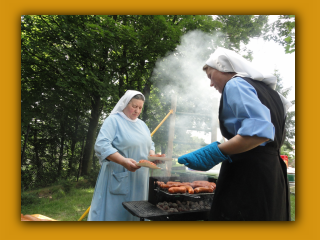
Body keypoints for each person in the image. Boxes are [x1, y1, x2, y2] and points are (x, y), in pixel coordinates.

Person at [178, 47, 292, 221]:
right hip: (272, 172)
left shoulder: (235, 83)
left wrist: (215, 152)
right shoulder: (272, 94)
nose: (210, 83)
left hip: (248, 175)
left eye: (210, 76)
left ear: (223, 68)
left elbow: (259, 133)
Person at [88, 90, 155, 221]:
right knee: (117, 213)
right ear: (125, 104)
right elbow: (101, 145)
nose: (137, 111)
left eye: (140, 107)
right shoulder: (113, 121)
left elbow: (150, 143)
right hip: (119, 175)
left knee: (138, 212)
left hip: (140, 178)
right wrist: (123, 161)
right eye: (134, 106)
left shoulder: (142, 125)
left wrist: (153, 156)